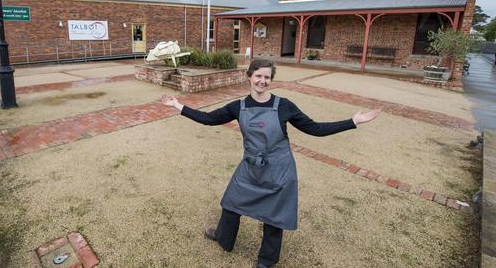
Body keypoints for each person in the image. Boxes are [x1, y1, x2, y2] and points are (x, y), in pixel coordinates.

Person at [161, 59, 380, 268]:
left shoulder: (284, 106)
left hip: (279, 168)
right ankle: (222, 237)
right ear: (249, 77)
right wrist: (178, 106)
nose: (262, 81)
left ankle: (266, 260)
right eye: (258, 76)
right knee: (231, 202)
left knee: (274, 216)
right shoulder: (239, 107)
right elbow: (209, 118)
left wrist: (353, 121)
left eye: (267, 77)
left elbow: (314, 128)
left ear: (270, 80)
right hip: (250, 166)